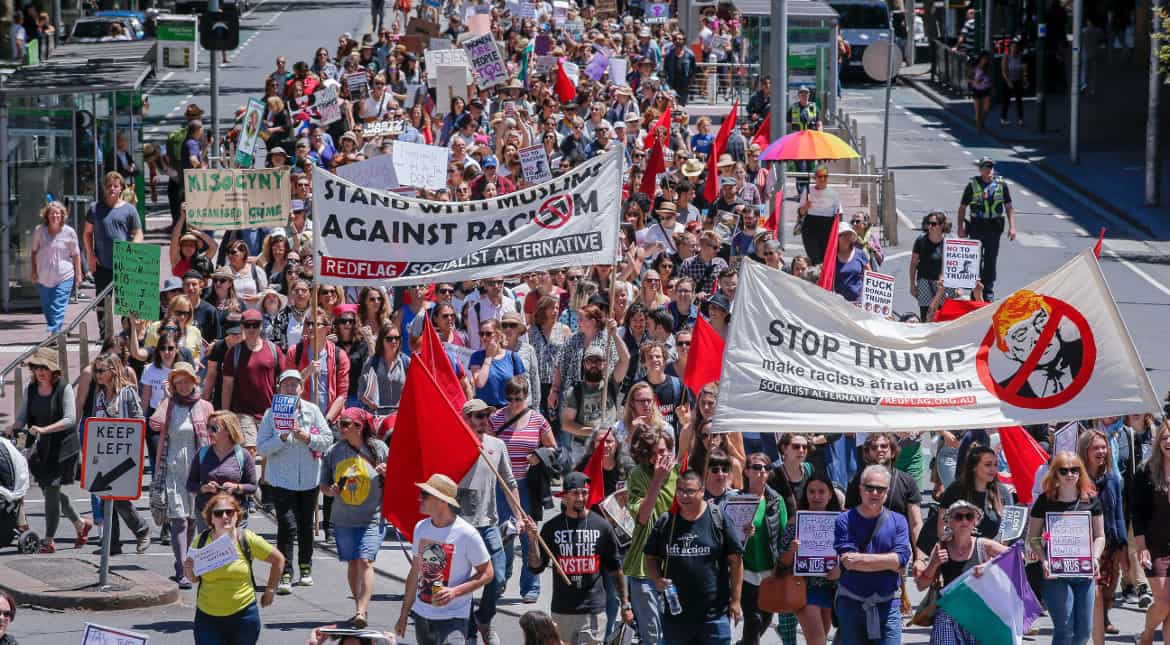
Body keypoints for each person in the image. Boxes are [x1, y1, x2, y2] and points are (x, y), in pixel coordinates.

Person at [524, 471, 633, 645]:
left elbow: (616, 569)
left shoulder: (601, 526)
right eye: (575, 493)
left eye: (584, 493)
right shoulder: (551, 528)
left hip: (593, 610)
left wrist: (625, 604)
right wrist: (533, 541)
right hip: (562, 610)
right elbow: (536, 566)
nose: (581, 498)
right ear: (565, 496)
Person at [644, 469, 743, 644]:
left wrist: (735, 600)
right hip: (676, 617)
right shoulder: (667, 521)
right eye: (680, 490)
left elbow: (736, 561)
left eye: (690, 491)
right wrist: (657, 579)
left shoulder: (717, 518)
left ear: (702, 491)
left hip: (714, 616)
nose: (684, 496)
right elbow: (651, 557)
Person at [395, 474, 494, 645]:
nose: (419, 498)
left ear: (442, 500)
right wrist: (404, 614)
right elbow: (415, 572)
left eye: (424, 495)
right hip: (422, 615)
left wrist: (454, 592)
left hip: (453, 618)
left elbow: (487, 573)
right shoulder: (421, 527)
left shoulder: (467, 534)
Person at [257, 370, 332, 593]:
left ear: (301, 388)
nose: (291, 389)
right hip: (282, 479)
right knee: (287, 526)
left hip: (309, 478)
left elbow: (327, 440)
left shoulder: (313, 410)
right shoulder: (271, 414)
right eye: (286, 385)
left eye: (295, 385)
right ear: (280, 388)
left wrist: (308, 438)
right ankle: (285, 572)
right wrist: (281, 438)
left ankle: (305, 567)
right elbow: (262, 447)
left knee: (306, 525)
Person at [9, 348, 90, 553]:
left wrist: (45, 429)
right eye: (37, 368)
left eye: (44, 367)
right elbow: (23, 415)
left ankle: (49, 539)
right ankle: (81, 524)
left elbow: (70, 419)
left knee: (52, 490)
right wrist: (14, 426)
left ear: (53, 370)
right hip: (41, 448)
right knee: (50, 491)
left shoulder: (64, 389)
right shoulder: (31, 388)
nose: (40, 372)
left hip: (62, 447)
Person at [1025, 452, 1105, 645]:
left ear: (1080, 472)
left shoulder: (1091, 500)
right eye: (1064, 470)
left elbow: (1100, 536)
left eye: (1074, 469)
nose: (1070, 474)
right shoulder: (1045, 501)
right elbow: (1033, 538)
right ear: (1056, 474)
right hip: (1056, 575)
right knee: (1064, 630)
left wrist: (1095, 557)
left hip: (1084, 573)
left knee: (1084, 632)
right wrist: (1044, 560)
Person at [184, 492, 284, 645]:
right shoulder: (201, 541)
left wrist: (270, 590)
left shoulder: (246, 538)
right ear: (211, 519)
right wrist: (189, 569)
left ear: (237, 516)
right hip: (208, 617)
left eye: (229, 512)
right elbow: (194, 579)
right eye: (218, 513)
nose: (225, 516)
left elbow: (278, 560)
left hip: (244, 615)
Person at [320, 407, 388, 629]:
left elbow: (398, 477)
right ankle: (361, 607)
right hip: (343, 518)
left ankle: (360, 610)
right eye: (340, 423)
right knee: (352, 563)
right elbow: (323, 485)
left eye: (345, 424)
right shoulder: (334, 451)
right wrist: (330, 491)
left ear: (359, 427)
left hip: (372, 517)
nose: (340, 428)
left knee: (366, 560)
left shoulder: (378, 448)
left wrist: (388, 471)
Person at [490, 376, 555, 604]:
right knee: (504, 536)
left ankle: (531, 586)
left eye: (518, 398)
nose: (514, 403)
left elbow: (553, 448)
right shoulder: (496, 419)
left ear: (526, 397)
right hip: (501, 487)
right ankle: (500, 579)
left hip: (527, 485)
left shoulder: (538, 420)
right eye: (509, 398)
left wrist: (539, 456)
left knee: (529, 535)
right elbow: (486, 445)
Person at [458, 399, 518, 645]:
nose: (485, 421)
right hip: (460, 525)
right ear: (466, 419)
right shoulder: (454, 446)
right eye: (479, 417)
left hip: (488, 522)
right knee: (462, 582)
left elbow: (510, 482)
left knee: (499, 576)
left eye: (487, 416)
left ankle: (484, 618)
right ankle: (469, 630)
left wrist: (519, 515)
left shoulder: (497, 445)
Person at [149, 362, 213, 589]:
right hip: (173, 468)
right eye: (178, 382)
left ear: (194, 381)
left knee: (194, 519)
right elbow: (154, 424)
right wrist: (166, 399)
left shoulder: (205, 406)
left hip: (198, 469)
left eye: (187, 381)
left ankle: (190, 562)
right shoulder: (169, 405)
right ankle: (181, 566)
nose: (183, 386)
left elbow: (214, 434)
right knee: (178, 519)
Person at [833, 464, 912, 645]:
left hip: (888, 605)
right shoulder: (844, 520)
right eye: (869, 488)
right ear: (861, 489)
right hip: (851, 604)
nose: (874, 493)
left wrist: (860, 559)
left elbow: (900, 560)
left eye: (880, 489)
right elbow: (848, 561)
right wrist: (887, 561)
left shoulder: (899, 521)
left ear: (887, 491)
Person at [915, 500, 1008, 644]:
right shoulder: (941, 547)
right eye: (958, 517)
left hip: (979, 614)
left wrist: (989, 566)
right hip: (949, 613)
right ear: (949, 522)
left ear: (975, 522)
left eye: (969, 517)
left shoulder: (984, 545)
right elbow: (921, 585)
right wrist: (933, 564)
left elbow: (1017, 557)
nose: (964, 521)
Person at [90, 353, 152, 554]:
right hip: (105, 455)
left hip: (125, 456)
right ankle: (112, 542)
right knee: (106, 497)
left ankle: (141, 529)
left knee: (119, 499)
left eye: (101, 370)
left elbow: (139, 420)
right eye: (95, 370)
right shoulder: (100, 395)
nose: (97, 375)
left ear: (113, 370)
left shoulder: (127, 393)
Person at [623, 424, 677, 645]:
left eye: (663, 452)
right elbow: (642, 517)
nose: (659, 457)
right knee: (653, 637)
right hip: (643, 568)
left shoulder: (680, 474)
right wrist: (656, 481)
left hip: (674, 564)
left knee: (675, 633)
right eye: (653, 453)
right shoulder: (637, 475)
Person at [778, 470, 842, 645]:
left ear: (830, 495)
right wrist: (792, 550)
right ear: (805, 494)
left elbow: (850, 554)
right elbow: (781, 561)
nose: (816, 496)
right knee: (817, 640)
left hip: (830, 588)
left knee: (821, 635)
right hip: (803, 588)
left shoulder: (841, 522)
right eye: (812, 491)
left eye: (821, 492)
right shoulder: (794, 522)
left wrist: (840, 567)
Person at [1078, 429, 1127, 639]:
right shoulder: (1076, 479)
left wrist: (1123, 547)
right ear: (1085, 450)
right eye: (1096, 447)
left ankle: (1101, 621)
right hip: (1083, 547)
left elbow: (1118, 514)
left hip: (1109, 545)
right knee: (1095, 595)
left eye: (1104, 447)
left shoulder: (1112, 480)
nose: (1101, 451)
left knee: (1106, 595)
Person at [84, 171, 143, 339]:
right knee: (102, 303)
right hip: (102, 264)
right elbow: (87, 233)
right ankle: (105, 336)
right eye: (109, 186)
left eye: (115, 186)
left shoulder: (129, 210)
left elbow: (138, 233)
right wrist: (90, 255)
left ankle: (127, 333)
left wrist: (133, 248)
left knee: (127, 302)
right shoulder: (95, 209)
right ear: (104, 188)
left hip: (124, 264)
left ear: (121, 188)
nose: (112, 189)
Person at [737, 453, 787, 645]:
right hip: (745, 570)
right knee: (753, 620)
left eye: (766, 468)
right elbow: (728, 536)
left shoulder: (776, 500)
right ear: (747, 471)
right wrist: (743, 535)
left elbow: (782, 536)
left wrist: (781, 566)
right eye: (757, 467)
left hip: (770, 572)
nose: (762, 472)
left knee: (764, 621)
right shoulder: (737, 499)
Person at [222, 309, 284, 449]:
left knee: (267, 454)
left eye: (255, 325)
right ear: (242, 326)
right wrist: (225, 414)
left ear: (261, 326)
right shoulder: (234, 352)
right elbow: (227, 386)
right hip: (243, 413)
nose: (251, 329)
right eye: (247, 325)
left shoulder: (274, 350)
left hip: (269, 412)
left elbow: (283, 380)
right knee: (250, 449)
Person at [560, 341, 630, 466]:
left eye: (598, 361)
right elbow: (566, 424)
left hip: (609, 446)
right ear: (583, 364)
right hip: (583, 447)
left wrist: (614, 334)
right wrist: (594, 433)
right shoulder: (576, 391)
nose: (593, 364)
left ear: (605, 364)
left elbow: (625, 359)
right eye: (589, 360)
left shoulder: (611, 384)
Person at [957, 157, 1016, 302]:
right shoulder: (972, 185)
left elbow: (1009, 207)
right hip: (977, 226)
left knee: (990, 260)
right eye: (985, 167)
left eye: (990, 167)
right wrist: (960, 227)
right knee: (974, 260)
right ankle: (975, 288)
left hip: (994, 228)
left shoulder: (1001, 185)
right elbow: (962, 208)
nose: (988, 170)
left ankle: (988, 289)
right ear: (980, 169)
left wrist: (1012, 227)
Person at [1133, 421, 1170, 645]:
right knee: (1164, 602)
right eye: (1164, 437)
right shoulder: (1146, 470)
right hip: (1155, 545)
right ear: (1158, 442)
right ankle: (1147, 634)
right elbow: (1136, 513)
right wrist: (1141, 546)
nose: (1169, 442)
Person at [187, 411, 258, 528]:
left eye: (214, 428)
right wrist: (204, 488)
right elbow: (190, 484)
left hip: (234, 514)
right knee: (208, 545)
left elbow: (253, 487)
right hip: (207, 514)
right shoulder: (202, 453)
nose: (209, 431)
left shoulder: (243, 454)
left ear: (228, 430)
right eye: (208, 427)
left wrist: (236, 487)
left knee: (234, 546)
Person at [936, 445, 1016, 541]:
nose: (993, 469)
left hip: (995, 551)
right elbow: (942, 531)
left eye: (995, 465)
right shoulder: (955, 490)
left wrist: (996, 548)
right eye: (988, 465)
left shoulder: (1002, 491)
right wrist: (959, 534)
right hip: (962, 550)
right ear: (974, 467)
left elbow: (1010, 530)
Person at [30, 201, 82, 334]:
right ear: (47, 216)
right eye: (52, 214)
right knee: (48, 309)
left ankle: (54, 334)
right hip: (43, 276)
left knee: (58, 306)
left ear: (62, 216)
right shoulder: (39, 231)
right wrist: (34, 271)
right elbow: (34, 252)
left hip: (64, 276)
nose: (55, 216)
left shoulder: (69, 232)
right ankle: (56, 332)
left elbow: (76, 254)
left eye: (58, 214)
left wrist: (79, 274)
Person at [471, 320, 526, 408]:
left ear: (498, 336)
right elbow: (480, 383)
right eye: (481, 334)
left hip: (508, 410)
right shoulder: (476, 357)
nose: (484, 337)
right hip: (485, 412)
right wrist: (488, 357)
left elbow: (521, 388)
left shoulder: (512, 357)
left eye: (488, 334)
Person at [359, 321, 409, 415]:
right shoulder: (372, 362)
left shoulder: (406, 362)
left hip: (399, 417)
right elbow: (361, 392)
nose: (394, 341)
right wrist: (370, 403)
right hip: (377, 417)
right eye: (389, 339)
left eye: (397, 338)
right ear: (382, 341)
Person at [909, 211, 951, 320]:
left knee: (943, 314)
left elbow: (957, 265)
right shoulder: (921, 240)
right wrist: (912, 285)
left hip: (942, 283)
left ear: (941, 225)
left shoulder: (949, 242)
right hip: (924, 281)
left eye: (934, 224)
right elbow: (913, 264)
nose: (930, 226)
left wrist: (958, 286)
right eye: (929, 223)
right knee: (925, 314)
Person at [795, 166, 840, 265]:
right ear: (815, 178)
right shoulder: (808, 191)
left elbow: (839, 215)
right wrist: (806, 207)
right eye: (820, 176)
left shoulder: (834, 193)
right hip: (811, 226)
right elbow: (800, 212)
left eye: (825, 176)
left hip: (828, 226)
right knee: (815, 259)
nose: (823, 179)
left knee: (827, 259)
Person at [786, 86, 821, 197]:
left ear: (809, 95)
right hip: (798, 143)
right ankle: (802, 192)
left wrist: (820, 136)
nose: (804, 96)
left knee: (810, 167)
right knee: (801, 167)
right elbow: (788, 125)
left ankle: (808, 191)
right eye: (802, 94)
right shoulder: (793, 108)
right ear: (798, 95)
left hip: (811, 142)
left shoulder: (814, 107)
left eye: (806, 94)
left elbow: (819, 123)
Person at [1001, 39, 1027, 125]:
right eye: (1012, 47)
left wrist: (1024, 80)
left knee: (1019, 100)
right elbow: (1004, 71)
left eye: (1015, 47)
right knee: (1006, 100)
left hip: (1017, 80)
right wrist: (1008, 82)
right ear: (1010, 48)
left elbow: (1024, 69)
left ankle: (1021, 119)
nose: (1014, 49)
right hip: (1008, 80)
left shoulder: (1020, 56)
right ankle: (1003, 118)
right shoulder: (1006, 56)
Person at [970, 53, 993, 131]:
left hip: (986, 89)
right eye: (984, 58)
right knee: (978, 110)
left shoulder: (988, 67)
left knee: (987, 107)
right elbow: (969, 78)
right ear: (981, 59)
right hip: (977, 90)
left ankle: (981, 121)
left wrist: (990, 83)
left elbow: (991, 77)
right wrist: (975, 81)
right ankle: (979, 127)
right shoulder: (975, 67)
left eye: (987, 59)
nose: (986, 60)